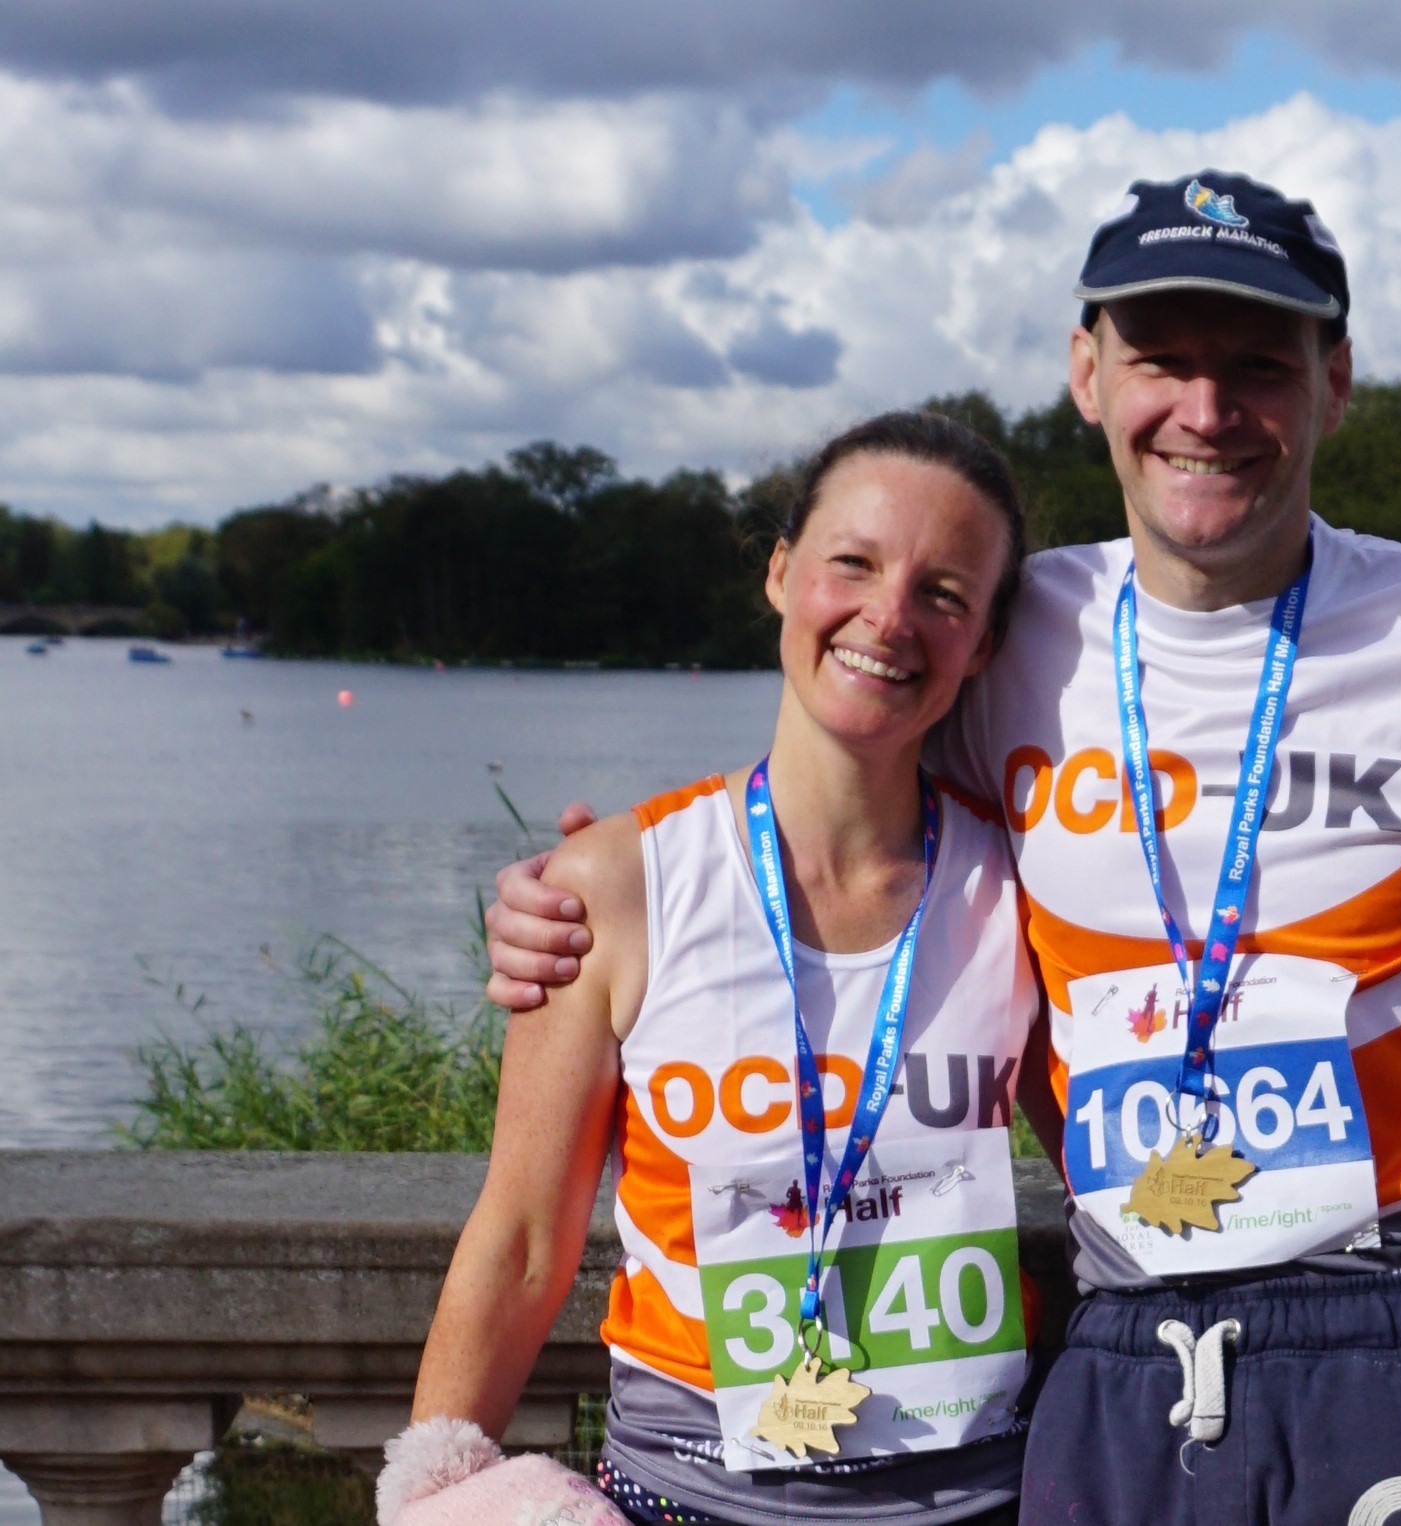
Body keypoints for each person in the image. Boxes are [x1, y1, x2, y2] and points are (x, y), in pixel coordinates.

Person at [489, 171, 1401, 1525]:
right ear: (1085, 372)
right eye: (1161, 356)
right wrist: (592, 889)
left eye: (1259, 366)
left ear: (1333, 383)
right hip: (1124, 1355)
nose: (1206, 410)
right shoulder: (1005, 633)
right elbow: (832, 771)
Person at [394, 413, 1052, 1526]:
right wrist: (423, 1497)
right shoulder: (617, 882)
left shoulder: (1026, 880)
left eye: (944, 592)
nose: (887, 616)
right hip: (682, 1497)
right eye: (852, 562)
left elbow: (1120, 1166)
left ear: (983, 641)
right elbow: (520, 1239)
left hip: (976, 1497)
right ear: (781, 571)